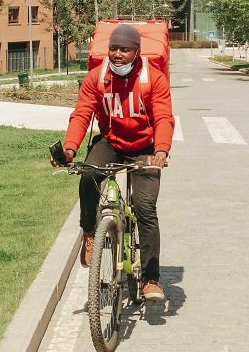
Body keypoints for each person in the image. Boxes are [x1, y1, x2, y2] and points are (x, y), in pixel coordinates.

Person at [55, 22, 174, 301]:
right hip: (111, 142)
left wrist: (162, 152)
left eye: (124, 49)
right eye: (113, 48)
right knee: (87, 177)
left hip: (145, 148)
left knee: (145, 208)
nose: (117, 54)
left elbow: (164, 117)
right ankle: (90, 233)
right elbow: (82, 114)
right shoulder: (97, 77)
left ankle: (150, 279)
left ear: (136, 51)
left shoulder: (153, 78)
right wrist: (70, 148)